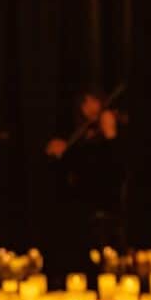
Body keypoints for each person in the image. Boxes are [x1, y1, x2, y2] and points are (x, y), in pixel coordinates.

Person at [44, 89, 125, 270]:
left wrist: (111, 135)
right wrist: (59, 153)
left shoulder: (114, 132)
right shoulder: (79, 134)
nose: (90, 107)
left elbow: (119, 171)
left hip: (108, 209)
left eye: (94, 100)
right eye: (85, 102)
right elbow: (72, 174)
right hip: (79, 212)